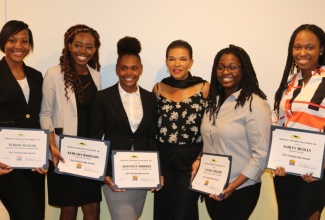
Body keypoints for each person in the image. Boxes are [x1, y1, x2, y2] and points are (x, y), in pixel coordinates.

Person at [198, 45, 271, 219]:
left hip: (240, 188)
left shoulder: (255, 104)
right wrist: (199, 159)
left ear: (243, 70)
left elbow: (261, 154)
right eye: (221, 67)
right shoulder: (213, 102)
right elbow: (211, 141)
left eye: (232, 67)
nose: (225, 72)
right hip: (213, 184)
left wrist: (233, 186)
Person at [89, 36, 158, 220]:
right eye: (124, 68)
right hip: (114, 175)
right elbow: (95, 138)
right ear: (117, 69)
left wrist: (156, 171)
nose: (129, 73)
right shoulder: (103, 97)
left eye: (134, 68)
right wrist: (103, 174)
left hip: (142, 173)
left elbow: (152, 137)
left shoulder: (150, 98)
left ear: (141, 70)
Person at [40, 24, 102, 220]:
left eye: (89, 46)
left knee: (93, 210)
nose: (83, 51)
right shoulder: (54, 74)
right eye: (78, 45)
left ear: (95, 49)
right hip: (63, 152)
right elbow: (45, 113)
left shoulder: (96, 75)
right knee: (68, 210)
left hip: (89, 153)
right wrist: (51, 145)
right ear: (68, 45)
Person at [273, 24, 325, 220]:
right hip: (285, 173)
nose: (302, 52)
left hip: (314, 175)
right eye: (297, 47)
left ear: (321, 49)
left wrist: (322, 164)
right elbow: (279, 124)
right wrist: (276, 160)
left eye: (309, 47)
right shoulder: (289, 83)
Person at [153, 39, 209, 220]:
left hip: (191, 162)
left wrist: (201, 157)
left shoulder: (204, 88)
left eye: (183, 59)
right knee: (164, 213)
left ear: (191, 62)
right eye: (172, 59)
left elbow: (211, 128)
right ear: (166, 62)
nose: (177, 64)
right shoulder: (158, 89)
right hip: (164, 162)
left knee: (185, 214)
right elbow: (152, 126)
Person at [0, 20, 46, 220]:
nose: (18, 46)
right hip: (6, 164)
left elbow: (40, 117)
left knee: (36, 215)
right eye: (12, 40)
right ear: (3, 42)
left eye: (24, 41)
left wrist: (44, 155)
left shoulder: (36, 76)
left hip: (33, 164)